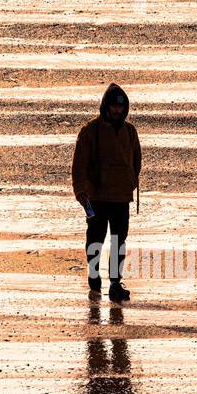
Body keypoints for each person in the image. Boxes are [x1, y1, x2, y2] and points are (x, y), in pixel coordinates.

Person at [72, 83, 142, 302]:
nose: (117, 111)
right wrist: (81, 190)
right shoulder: (90, 131)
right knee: (95, 240)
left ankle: (114, 283)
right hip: (97, 197)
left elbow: (136, 160)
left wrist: (130, 181)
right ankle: (94, 279)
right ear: (106, 106)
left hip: (121, 197)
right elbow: (79, 163)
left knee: (119, 241)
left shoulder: (130, 131)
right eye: (113, 106)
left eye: (120, 108)